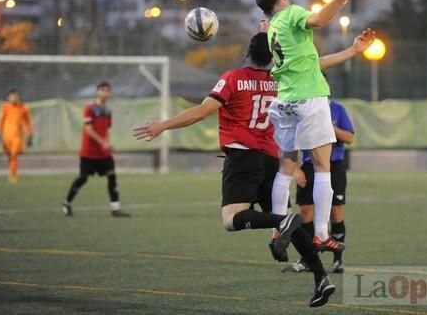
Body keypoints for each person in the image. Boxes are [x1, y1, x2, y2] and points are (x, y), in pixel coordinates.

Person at [132, 22, 375, 307]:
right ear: (273, 57)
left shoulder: (233, 78)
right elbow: (317, 62)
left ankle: (281, 221)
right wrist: (353, 50)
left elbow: (202, 111)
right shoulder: (282, 77)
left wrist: (162, 125)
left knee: (232, 219)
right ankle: (322, 278)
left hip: (243, 158)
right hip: (273, 159)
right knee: (290, 224)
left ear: (247, 52)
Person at [255, 0, 359, 252]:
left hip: (284, 101)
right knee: (323, 166)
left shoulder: (272, 27)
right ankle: (322, 234)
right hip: (308, 98)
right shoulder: (291, 14)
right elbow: (320, 19)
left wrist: (352, 51)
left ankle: (278, 230)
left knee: (286, 167)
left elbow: (310, 61)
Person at [285, 92, 354, 274]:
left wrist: (330, 128)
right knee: (306, 212)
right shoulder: (302, 109)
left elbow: (349, 137)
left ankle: (338, 260)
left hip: (334, 166)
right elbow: (290, 140)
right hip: (309, 166)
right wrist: (296, 169)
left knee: (335, 211)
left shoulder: (337, 109)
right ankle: (307, 259)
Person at [62, 82, 130, 218]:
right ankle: (67, 202)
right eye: (102, 90)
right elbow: (88, 129)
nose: (105, 93)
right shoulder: (89, 108)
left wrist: (108, 143)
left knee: (112, 176)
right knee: (83, 178)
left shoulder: (108, 111)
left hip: (104, 152)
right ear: (97, 92)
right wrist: (103, 142)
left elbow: (105, 130)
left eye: (107, 90)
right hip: (89, 151)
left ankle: (115, 208)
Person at [0, 89, 34, 185]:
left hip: (17, 137)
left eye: (15, 96)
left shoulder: (23, 108)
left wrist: (31, 133)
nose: (13, 98)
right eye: (12, 96)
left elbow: (28, 122)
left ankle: (13, 176)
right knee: (9, 156)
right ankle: (11, 173)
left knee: (14, 155)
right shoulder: (4, 108)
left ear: (18, 97)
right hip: (6, 137)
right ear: (8, 98)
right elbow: (1, 122)